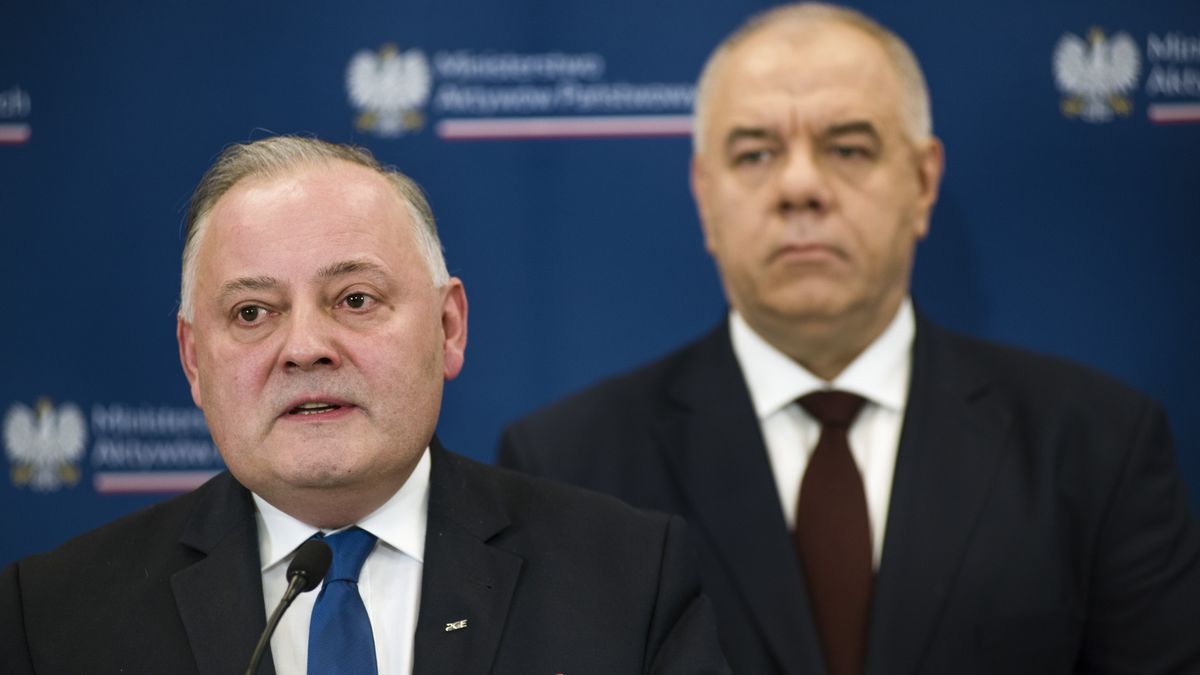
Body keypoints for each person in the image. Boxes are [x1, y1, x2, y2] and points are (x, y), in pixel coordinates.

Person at [498, 4, 1200, 674]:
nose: (800, 185)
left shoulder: (1096, 446)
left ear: (924, 182)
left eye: (848, 147)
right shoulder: (566, 464)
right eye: (755, 153)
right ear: (705, 195)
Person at [0, 136, 730, 675]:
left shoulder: (630, 579)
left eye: (355, 299)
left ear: (448, 327)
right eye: (253, 312)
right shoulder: (54, 616)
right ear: (194, 358)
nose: (306, 347)